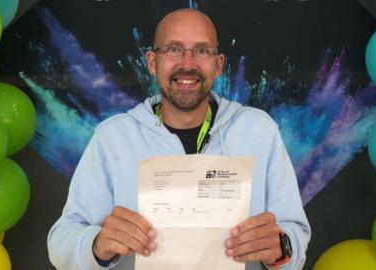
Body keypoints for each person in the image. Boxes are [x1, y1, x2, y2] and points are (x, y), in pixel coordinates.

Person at [48, 8, 310, 270]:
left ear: (218, 65)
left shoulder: (259, 131)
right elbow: (61, 244)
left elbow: (295, 238)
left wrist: (282, 248)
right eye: (173, 49)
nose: (187, 64)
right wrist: (97, 245)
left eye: (201, 51)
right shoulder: (113, 137)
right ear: (152, 62)